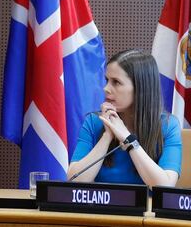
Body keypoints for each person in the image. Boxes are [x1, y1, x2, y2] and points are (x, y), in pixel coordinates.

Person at [67, 49, 181, 186]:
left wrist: (128, 139)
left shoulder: (168, 125)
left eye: (116, 82)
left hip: (146, 207)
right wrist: (107, 135)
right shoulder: (94, 122)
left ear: (140, 88)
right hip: (102, 205)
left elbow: (164, 186)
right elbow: (74, 180)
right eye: (107, 80)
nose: (106, 88)